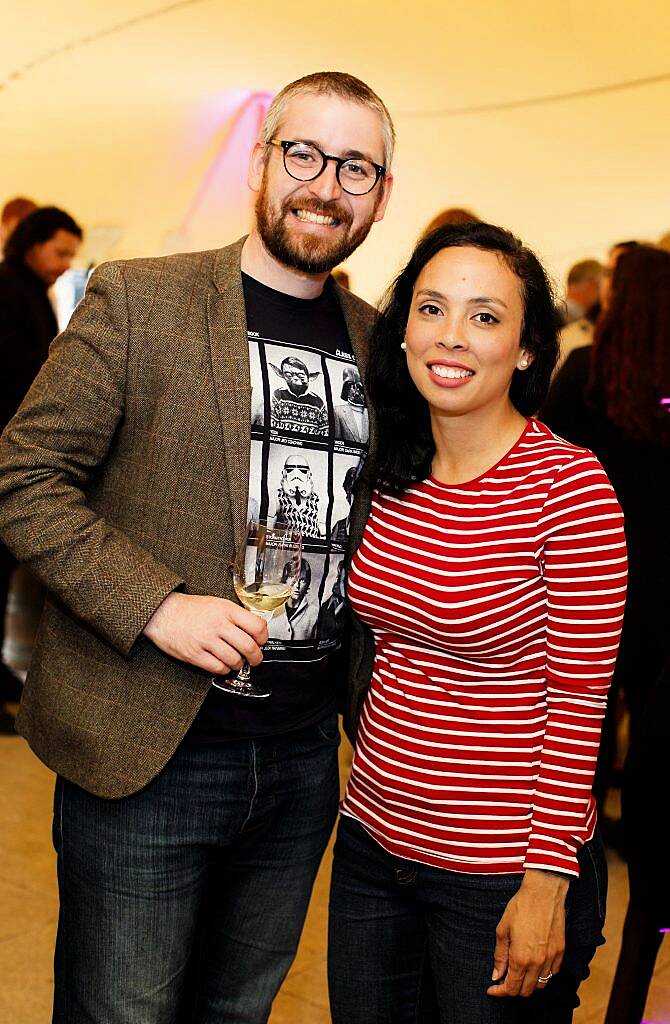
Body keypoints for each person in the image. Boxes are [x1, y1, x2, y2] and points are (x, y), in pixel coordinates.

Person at [0, 70, 394, 1023]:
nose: (325, 185)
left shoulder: (384, 349)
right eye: (303, 153)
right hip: (151, 747)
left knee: (239, 1011)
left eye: (356, 167)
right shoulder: (141, 301)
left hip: (304, 759)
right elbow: (24, 476)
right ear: (261, 159)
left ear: (382, 193)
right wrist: (157, 605)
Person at [329, 221, 627, 1024]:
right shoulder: (391, 468)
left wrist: (544, 884)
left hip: (500, 873)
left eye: (485, 316)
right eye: (431, 309)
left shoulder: (569, 487)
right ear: (403, 331)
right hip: (371, 844)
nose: (451, 336)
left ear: (527, 350)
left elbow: (579, 701)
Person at [540, 246, 670, 1022]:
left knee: (574, 742)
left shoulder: (587, 373)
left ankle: (568, 885)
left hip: (590, 581)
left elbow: (540, 459)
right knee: (647, 750)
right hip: (663, 597)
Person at [0, 205, 82, 730]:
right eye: (59, 252)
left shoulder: (30, 289)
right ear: (31, 244)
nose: (64, 264)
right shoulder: (8, 289)